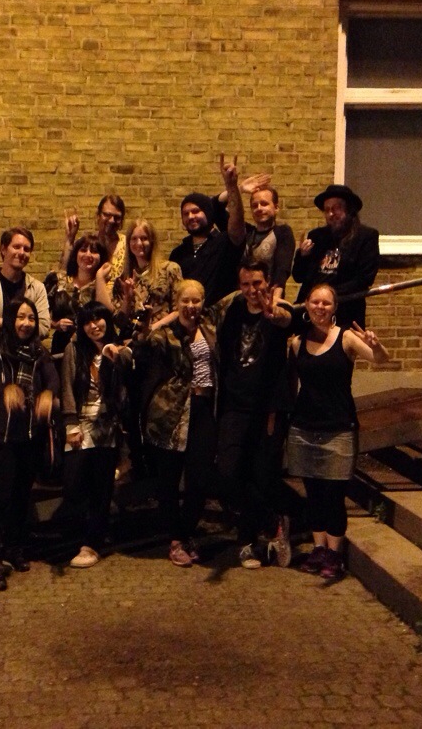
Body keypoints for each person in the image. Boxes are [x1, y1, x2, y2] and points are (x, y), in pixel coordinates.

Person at [287, 283, 390, 579]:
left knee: (334, 495)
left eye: (326, 303)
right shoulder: (297, 342)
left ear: (334, 307)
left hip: (338, 428)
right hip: (304, 427)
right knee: (313, 494)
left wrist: (375, 344)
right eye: (315, 302)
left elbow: (380, 359)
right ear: (307, 305)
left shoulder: (346, 338)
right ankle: (319, 548)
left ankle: (335, 553)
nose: (320, 307)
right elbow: (291, 384)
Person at [211, 261, 299, 569]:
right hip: (234, 406)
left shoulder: (278, 307)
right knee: (228, 474)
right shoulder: (231, 310)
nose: (251, 290)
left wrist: (274, 313)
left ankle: (247, 542)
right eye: (246, 284)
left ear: (268, 282)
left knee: (260, 475)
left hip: (267, 409)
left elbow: (288, 320)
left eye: (257, 283)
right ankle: (274, 524)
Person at [0, 297, 60, 591]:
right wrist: (5, 389)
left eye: (31, 318)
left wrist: (48, 394)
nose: (26, 323)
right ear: (10, 320)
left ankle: (13, 547)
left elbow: (52, 379)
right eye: (21, 317)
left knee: (21, 496)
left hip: (28, 436)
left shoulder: (39, 352)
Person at [134, 279, 218, 567]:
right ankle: (175, 540)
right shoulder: (166, 335)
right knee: (168, 479)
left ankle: (185, 533)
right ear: (176, 304)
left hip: (204, 407)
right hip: (172, 410)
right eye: (185, 301)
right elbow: (143, 349)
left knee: (200, 478)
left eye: (196, 301)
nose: (191, 306)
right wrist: (146, 328)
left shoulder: (210, 328)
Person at [60, 301, 131, 568]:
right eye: (88, 321)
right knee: (74, 483)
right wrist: (70, 424)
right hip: (80, 423)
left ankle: (91, 544)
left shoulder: (118, 348)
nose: (94, 326)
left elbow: (129, 364)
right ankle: (89, 531)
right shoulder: (74, 350)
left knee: (102, 486)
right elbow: (66, 386)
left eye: (98, 319)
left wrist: (116, 355)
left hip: (108, 426)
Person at [291, 184, 379, 329]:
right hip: (312, 315)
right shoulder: (317, 236)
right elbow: (298, 276)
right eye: (327, 210)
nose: (331, 214)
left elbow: (365, 278)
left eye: (336, 208)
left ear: (349, 210)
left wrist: (328, 296)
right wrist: (303, 256)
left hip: (345, 311)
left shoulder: (366, 236)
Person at [168, 155, 245, 306]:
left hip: (221, 317)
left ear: (208, 214)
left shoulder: (226, 243)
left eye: (196, 211)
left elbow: (237, 221)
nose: (191, 216)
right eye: (186, 214)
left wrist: (232, 187)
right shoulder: (178, 253)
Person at [0, 227, 51, 343]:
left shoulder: (37, 288)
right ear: (3, 249)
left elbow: (43, 327)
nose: (21, 253)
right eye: (16, 247)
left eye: (26, 249)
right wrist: (15, 323)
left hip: (25, 352)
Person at [45, 233, 112, 357]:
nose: (88, 255)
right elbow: (39, 315)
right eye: (83, 250)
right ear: (75, 254)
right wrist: (56, 324)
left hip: (93, 348)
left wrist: (99, 279)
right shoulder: (58, 280)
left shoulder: (106, 284)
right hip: (61, 348)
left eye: (94, 251)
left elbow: (107, 315)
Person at [113, 219, 182, 339]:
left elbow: (179, 310)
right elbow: (120, 323)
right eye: (134, 239)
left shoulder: (169, 269)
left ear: (152, 241)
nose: (139, 243)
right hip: (131, 339)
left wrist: (151, 328)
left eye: (144, 238)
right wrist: (127, 299)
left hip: (162, 336)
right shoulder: (123, 279)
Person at [61, 194, 127, 282]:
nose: (112, 220)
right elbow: (64, 273)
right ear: (98, 215)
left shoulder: (128, 245)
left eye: (117, 217)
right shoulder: (86, 244)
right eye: (107, 215)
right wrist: (70, 239)